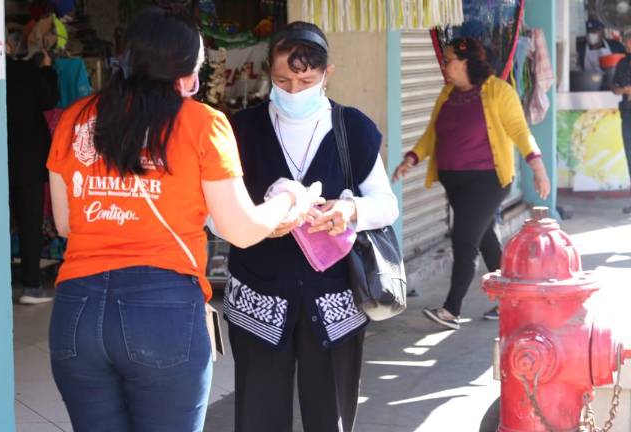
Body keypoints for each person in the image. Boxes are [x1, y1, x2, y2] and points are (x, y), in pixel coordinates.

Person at [45, 8, 319, 432]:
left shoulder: (76, 119)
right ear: (188, 75)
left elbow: (64, 223)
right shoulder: (203, 124)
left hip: (76, 310)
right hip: (163, 311)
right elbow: (241, 230)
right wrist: (289, 200)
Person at [222, 22, 399, 432]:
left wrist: (349, 210)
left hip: (334, 301)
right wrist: (258, 225)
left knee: (329, 415)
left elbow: (386, 205)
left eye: (306, 80)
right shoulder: (241, 129)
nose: (295, 91)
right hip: (257, 298)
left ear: (327, 74)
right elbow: (216, 215)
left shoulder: (352, 128)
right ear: (269, 71)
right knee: (258, 415)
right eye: (283, 80)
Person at [392, 37, 550, 330]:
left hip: (488, 181)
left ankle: (452, 309)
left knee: (464, 240)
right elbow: (431, 134)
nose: (444, 65)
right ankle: (513, 300)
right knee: (485, 236)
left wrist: (538, 167)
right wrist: (411, 159)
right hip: (455, 183)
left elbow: (520, 131)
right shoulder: (447, 93)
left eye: (449, 59)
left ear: (466, 61)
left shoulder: (498, 91)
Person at [6, 30, 60, 304]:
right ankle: (30, 286)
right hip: (27, 158)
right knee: (29, 222)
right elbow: (49, 100)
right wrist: (48, 70)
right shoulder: (25, 70)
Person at [611, 31, 631, 215]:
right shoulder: (623, 63)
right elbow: (614, 86)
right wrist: (620, 90)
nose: (628, 45)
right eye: (627, 42)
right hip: (627, 112)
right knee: (630, 155)